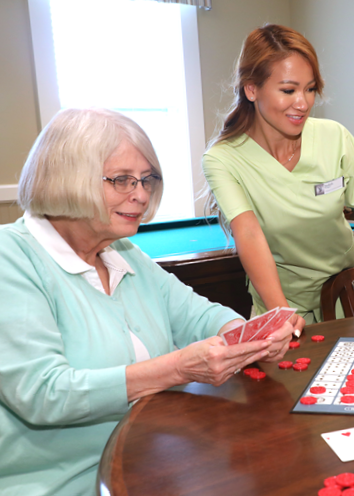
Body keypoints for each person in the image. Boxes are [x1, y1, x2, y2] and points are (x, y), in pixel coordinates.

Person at [0, 108, 293, 496]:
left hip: (155, 456)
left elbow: (200, 314)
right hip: (65, 482)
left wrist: (250, 339)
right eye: (121, 180)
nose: (140, 194)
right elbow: (44, 394)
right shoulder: (11, 257)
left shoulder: (124, 252)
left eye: (146, 180)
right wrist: (178, 367)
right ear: (68, 176)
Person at [203, 24, 354, 332]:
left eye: (310, 88)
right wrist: (281, 315)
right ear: (252, 89)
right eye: (288, 90)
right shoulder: (222, 159)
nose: (302, 103)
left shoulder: (335, 137)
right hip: (279, 307)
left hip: (346, 300)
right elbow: (249, 235)